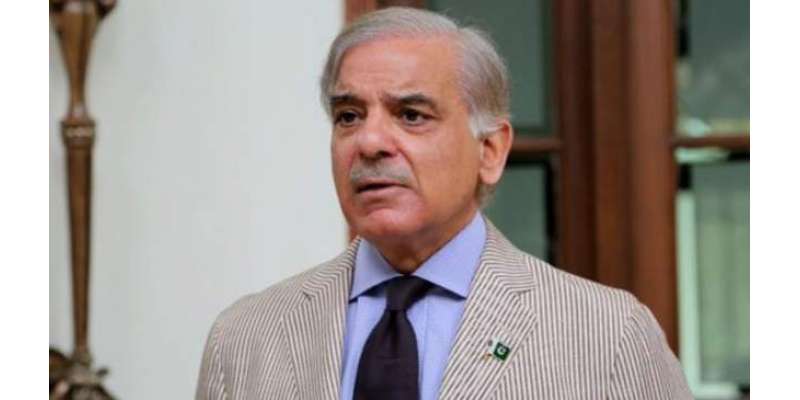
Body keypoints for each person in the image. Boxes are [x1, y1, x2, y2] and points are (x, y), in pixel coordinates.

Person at [196, 7, 692, 400]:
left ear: (490, 150)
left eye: (411, 115)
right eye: (348, 116)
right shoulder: (246, 338)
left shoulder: (606, 334)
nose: (369, 142)